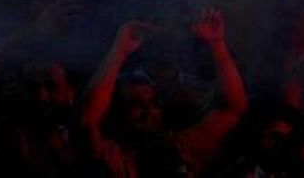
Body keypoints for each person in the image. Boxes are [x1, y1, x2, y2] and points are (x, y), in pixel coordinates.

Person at [79, 10, 249, 178]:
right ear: (116, 111)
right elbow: (87, 120)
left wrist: (217, 44)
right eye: (136, 104)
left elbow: (233, 107)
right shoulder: (117, 162)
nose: (149, 111)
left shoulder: (181, 147)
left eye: (153, 102)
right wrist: (119, 51)